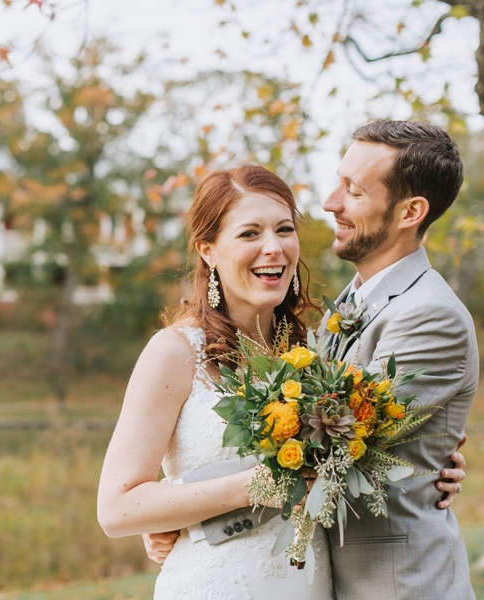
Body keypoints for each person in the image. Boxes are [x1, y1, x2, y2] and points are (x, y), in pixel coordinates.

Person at [140, 121, 475, 600]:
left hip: (396, 586)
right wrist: (165, 506)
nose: (329, 201)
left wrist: (176, 505)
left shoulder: (427, 315)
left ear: (411, 212)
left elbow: (329, 448)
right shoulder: (341, 309)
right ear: (207, 251)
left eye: (353, 190)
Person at [97, 164, 335, 599]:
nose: (273, 248)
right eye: (249, 234)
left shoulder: (316, 353)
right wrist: (252, 486)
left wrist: (435, 465)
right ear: (208, 250)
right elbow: (116, 508)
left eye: (284, 229)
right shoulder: (175, 352)